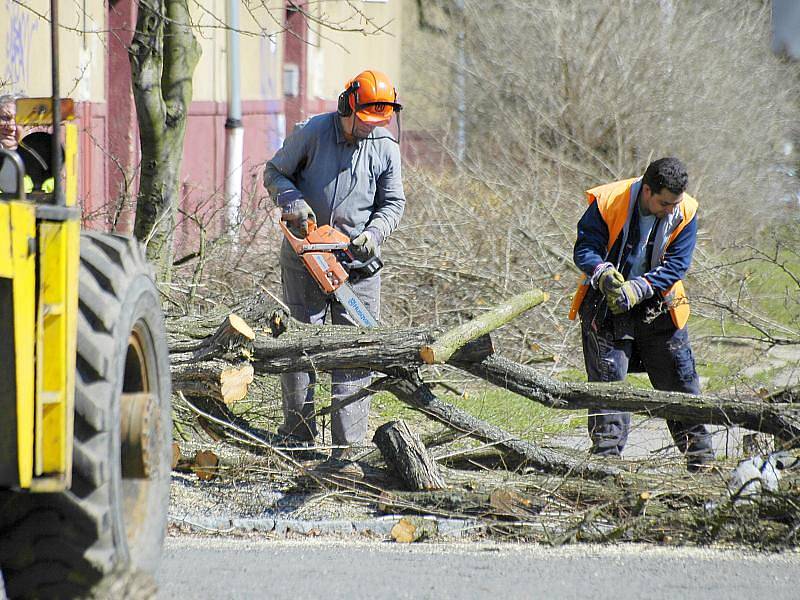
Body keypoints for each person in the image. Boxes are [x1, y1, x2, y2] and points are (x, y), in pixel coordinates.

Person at [264, 69, 405, 475]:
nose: (370, 129)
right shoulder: (312, 133)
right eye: (365, 120)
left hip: (356, 265)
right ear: (347, 107)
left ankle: (348, 452)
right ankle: (299, 440)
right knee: (300, 349)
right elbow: (273, 172)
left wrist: (374, 234)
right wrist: (291, 200)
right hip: (305, 256)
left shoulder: (385, 147)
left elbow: (393, 202)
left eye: (379, 122)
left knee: (354, 355)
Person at [568, 157, 714, 471]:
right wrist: (603, 273)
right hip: (606, 303)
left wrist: (639, 288)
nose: (669, 209)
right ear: (647, 191)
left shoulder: (685, 210)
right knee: (608, 387)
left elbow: (676, 266)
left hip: (660, 306)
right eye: (663, 202)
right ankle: (606, 468)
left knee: (681, 384)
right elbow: (585, 248)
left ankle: (703, 466)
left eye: (674, 203)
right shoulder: (610, 201)